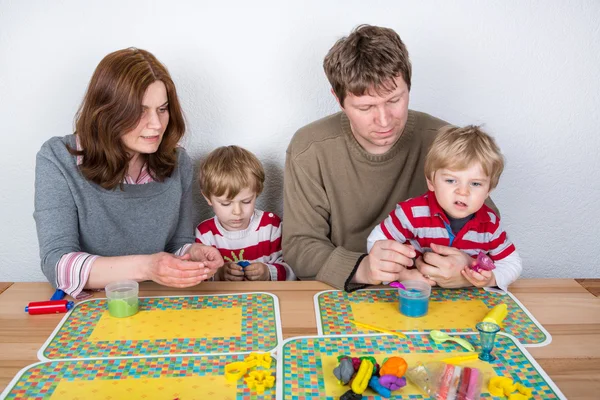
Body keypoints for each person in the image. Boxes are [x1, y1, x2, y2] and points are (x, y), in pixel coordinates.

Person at [283, 24, 497, 291]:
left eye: (394, 100)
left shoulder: (445, 141)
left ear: (409, 86)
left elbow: (487, 226)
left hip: (435, 294)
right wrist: (363, 267)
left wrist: (468, 266)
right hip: (345, 293)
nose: (384, 120)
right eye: (366, 107)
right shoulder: (310, 148)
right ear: (338, 100)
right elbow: (300, 244)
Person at [34, 48, 223, 298]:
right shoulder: (57, 159)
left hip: (157, 304)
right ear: (107, 111)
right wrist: (147, 267)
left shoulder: (179, 163)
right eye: (141, 110)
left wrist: (191, 255)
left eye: (162, 109)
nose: (156, 124)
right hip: (92, 309)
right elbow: (57, 264)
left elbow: (177, 246)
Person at [367, 125, 522, 291]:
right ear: (431, 182)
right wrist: (403, 275)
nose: (463, 192)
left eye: (475, 183)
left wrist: (490, 279)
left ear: (488, 191)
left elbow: (512, 264)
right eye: (450, 181)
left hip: (464, 304)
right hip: (413, 296)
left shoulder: (490, 225)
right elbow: (376, 243)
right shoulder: (411, 213)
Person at [195, 145, 295, 281]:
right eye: (226, 203)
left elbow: (295, 270)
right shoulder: (206, 234)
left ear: (257, 193)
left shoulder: (271, 226)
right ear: (208, 198)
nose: (237, 212)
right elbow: (197, 277)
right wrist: (218, 274)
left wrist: (268, 272)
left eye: (246, 201)